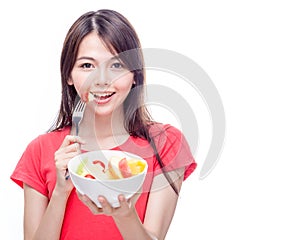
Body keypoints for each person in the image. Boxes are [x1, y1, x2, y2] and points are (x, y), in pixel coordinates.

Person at [11, 9, 197, 240]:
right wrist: (61, 191)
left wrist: (125, 215)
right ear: (69, 75)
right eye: (87, 66)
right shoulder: (40, 150)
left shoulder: (165, 143)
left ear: (134, 74)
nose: (101, 80)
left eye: (116, 65)